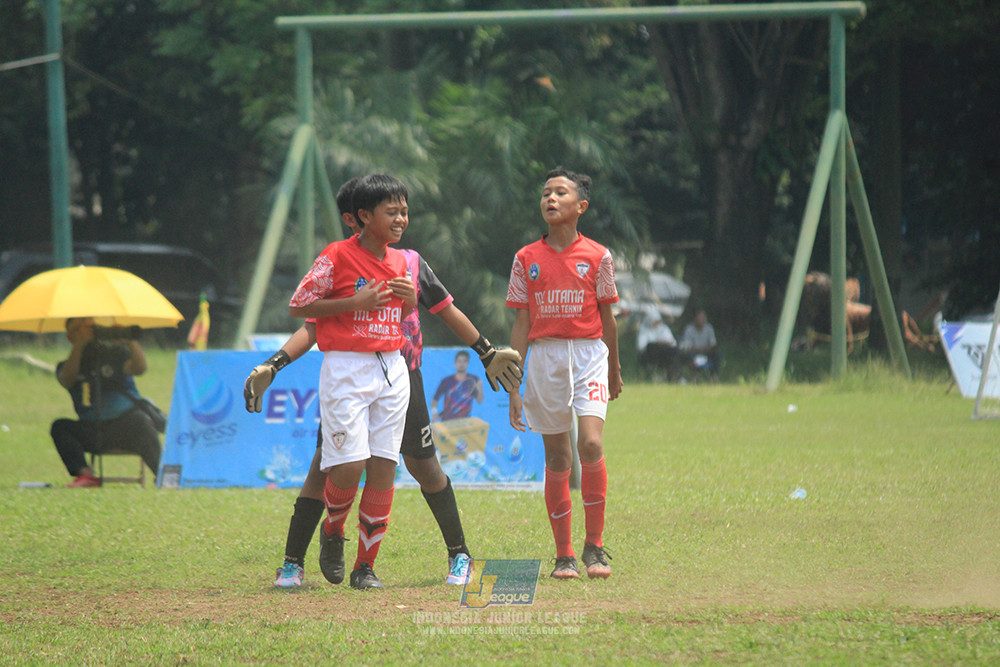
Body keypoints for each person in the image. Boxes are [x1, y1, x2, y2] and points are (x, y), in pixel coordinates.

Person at [249, 175, 521, 590]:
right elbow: (310, 321)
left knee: (409, 467)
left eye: (404, 211)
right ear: (358, 218)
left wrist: (485, 350)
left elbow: (444, 310)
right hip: (348, 370)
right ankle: (301, 556)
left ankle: (437, 557)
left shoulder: (408, 262)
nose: (400, 219)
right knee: (331, 467)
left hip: (401, 372)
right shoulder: (339, 257)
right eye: (391, 211)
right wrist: (275, 363)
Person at [506, 167, 623, 580]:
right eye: (546, 193)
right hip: (545, 357)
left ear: (581, 206)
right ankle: (564, 555)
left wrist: (613, 368)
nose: (550, 199)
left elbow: (608, 320)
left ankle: (595, 546)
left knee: (590, 443)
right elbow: (521, 324)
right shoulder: (525, 258)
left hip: (589, 355)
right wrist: (514, 385)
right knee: (557, 456)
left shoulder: (599, 256)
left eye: (560, 193)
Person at [50, 318, 162, 487]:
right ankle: (85, 476)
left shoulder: (117, 355)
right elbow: (67, 379)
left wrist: (129, 340)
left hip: (125, 426)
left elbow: (139, 369)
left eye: (90, 328)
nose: (86, 332)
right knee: (60, 426)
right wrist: (79, 345)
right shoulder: (67, 365)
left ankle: (162, 474)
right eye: (79, 329)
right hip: (92, 429)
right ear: (70, 336)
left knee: (141, 420)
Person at [430, 350, 484, 421]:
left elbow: (479, 400)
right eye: (459, 361)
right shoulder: (446, 381)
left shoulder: (473, 380)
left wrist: (480, 388)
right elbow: (434, 401)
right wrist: (434, 413)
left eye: (464, 361)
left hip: (465, 422)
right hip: (447, 421)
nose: (461, 364)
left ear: (468, 363)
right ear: (455, 363)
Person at [636, 308, 681, 381]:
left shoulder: (664, 329)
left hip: (665, 354)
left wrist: (664, 343)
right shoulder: (644, 330)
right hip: (650, 355)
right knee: (653, 347)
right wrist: (657, 343)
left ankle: (675, 376)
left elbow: (672, 342)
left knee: (674, 352)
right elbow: (641, 346)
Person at [679, 308, 720, 380]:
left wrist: (704, 348)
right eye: (701, 318)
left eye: (704, 318)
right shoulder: (689, 329)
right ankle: (694, 376)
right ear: (695, 319)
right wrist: (699, 349)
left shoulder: (709, 328)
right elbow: (687, 346)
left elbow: (713, 344)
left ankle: (714, 376)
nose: (703, 320)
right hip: (693, 353)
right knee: (688, 355)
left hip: (706, 352)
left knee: (717, 354)